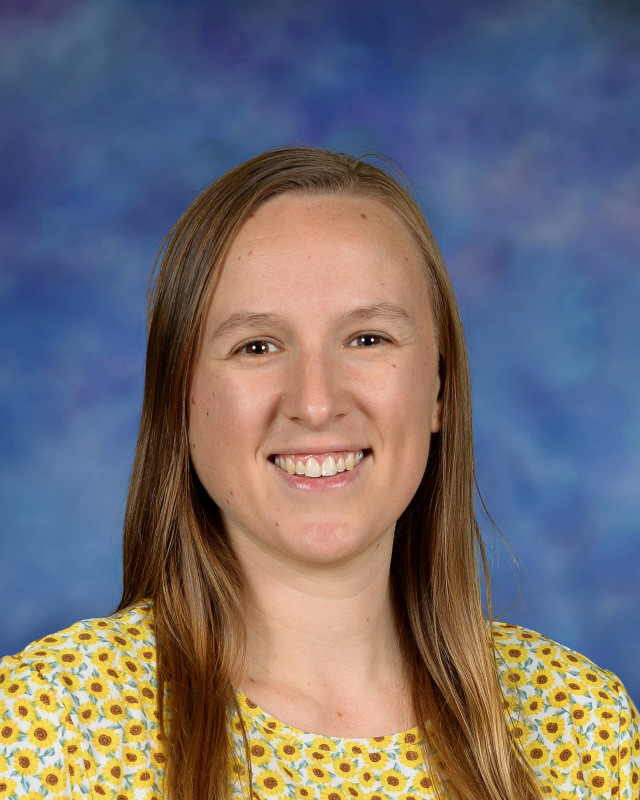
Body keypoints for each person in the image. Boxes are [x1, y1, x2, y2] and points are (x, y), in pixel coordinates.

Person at [0, 147, 638, 800]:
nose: (315, 402)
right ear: (180, 401)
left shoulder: (577, 722)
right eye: (256, 346)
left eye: (368, 339)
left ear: (439, 389)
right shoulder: (48, 726)